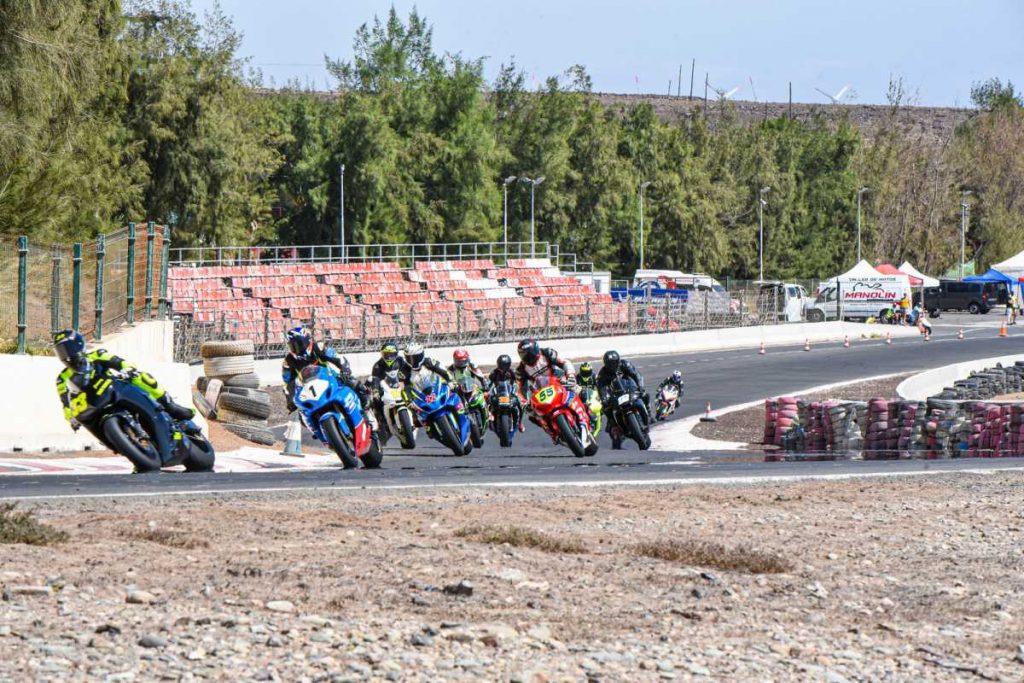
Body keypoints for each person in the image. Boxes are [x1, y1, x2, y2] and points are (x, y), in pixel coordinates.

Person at [53, 330, 194, 457]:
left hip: (115, 389)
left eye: (69, 348)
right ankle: (122, 444)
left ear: (79, 345)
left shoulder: (97, 355)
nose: (67, 355)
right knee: (84, 420)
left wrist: (128, 369)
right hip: (95, 404)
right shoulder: (62, 378)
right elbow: (65, 402)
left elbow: (118, 362)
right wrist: (70, 418)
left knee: (143, 377)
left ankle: (169, 405)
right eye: (61, 351)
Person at [282, 327, 375, 428]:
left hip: (331, 380)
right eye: (292, 346)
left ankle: (368, 414)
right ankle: (321, 433)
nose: (296, 348)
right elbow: (288, 383)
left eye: (298, 344)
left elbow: (337, 358)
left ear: (307, 340)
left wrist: (344, 370)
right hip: (309, 391)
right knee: (302, 415)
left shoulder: (318, 348)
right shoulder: (288, 362)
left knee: (352, 383)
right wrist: (290, 400)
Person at [596, 350, 649, 449]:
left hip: (630, 388)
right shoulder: (602, 374)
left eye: (614, 363)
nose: (612, 366)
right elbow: (601, 388)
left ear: (618, 361)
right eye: (609, 364)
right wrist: (604, 399)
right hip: (616, 394)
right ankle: (613, 422)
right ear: (605, 364)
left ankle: (648, 412)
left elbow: (636, 375)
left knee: (645, 395)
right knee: (605, 408)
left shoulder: (624, 364)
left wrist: (640, 387)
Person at [487, 354, 524, 432]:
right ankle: (490, 420)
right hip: (498, 392)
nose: (503, 367)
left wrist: (518, 388)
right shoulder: (494, 372)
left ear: (508, 365)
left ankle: (520, 423)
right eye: (501, 365)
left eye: (505, 365)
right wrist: (486, 389)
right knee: (488, 402)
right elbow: (489, 382)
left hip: (509, 392)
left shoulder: (511, 371)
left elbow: (517, 381)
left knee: (520, 404)